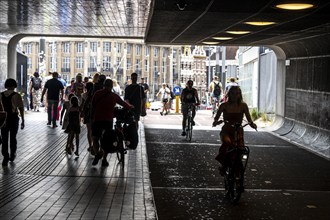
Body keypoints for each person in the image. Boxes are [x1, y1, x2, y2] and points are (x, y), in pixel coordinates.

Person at [212, 86, 257, 175]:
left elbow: (249, 119)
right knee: (227, 143)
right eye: (233, 93)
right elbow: (216, 118)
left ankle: (237, 166)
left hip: (238, 130)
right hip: (226, 130)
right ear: (229, 94)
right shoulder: (224, 105)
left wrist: (252, 124)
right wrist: (216, 122)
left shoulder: (243, 105)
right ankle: (224, 165)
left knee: (240, 149)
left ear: (240, 94)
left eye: (237, 93)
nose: (235, 95)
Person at [91, 79, 133, 166]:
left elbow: (93, 104)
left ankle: (96, 154)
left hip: (97, 119)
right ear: (111, 86)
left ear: (103, 85)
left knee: (95, 138)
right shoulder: (113, 96)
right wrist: (130, 106)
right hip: (108, 120)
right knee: (107, 139)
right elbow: (123, 103)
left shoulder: (97, 93)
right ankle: (104, 158)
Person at [1, 78, 25, 166]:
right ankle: (12, 154)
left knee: (4, 138)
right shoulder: (17, 95)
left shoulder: (1, 95)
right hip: (13, 118)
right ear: (14, 86)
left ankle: (5, 157)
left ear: (6, 85)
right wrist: (23, 120)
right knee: (13, 137)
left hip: (4, 119)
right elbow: (21, 108)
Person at [80, 82, 94, 153]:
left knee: (89, 131)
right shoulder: (95, 95)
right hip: (94, 113)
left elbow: (82, 105)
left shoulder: (84, 95)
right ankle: (95, 145)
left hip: (87, 113)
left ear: (86, 88)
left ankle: (90, 145)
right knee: (94, 130)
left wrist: (81, 112)